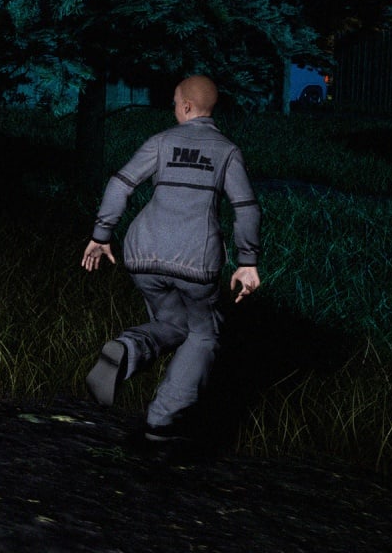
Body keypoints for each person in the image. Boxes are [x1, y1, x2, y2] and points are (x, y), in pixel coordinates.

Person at [81, 74, 261, 441]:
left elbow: (120, 184)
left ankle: (128, 349)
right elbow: (246, 209)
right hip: (195, 260)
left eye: (176, 103)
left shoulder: (161, 142)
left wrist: (101, 236)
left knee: (172, 323)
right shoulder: (227, 151)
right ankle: (161, 421)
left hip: (143, 254)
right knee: (203, 334)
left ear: (188, 106)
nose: (174, 109)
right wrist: (247, 262)